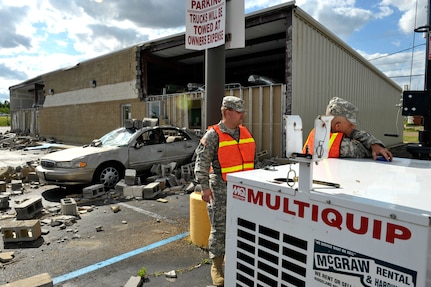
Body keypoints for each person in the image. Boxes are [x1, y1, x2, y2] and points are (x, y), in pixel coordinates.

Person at [194, 96, 256, 286]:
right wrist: (204, 188)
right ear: (227, 113)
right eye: (239, 112)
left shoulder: (244, 132)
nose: (243, 116)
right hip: (221, 188)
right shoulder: (213, 135)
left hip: (244, 190)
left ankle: (235, 261)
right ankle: (217, 267)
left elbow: (252, 160)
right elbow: (201, 163)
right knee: (220, 228)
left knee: (241, 226)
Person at [302, 97, 393, 161]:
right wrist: (373, 146)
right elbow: (367, 152)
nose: (354, 127)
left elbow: (354, 133)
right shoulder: (333, 143)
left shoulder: (321, 131)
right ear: (338, 126)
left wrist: (374, 143)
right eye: (351, 124)